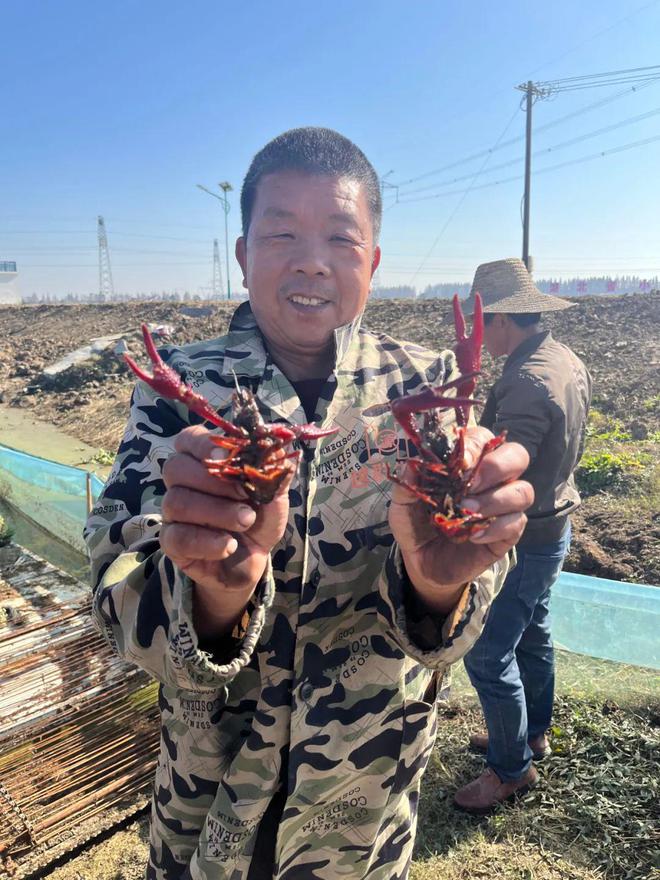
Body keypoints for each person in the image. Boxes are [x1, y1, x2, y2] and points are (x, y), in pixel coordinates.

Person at [85, 130, 533, 880]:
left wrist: (439, 584)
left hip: (363, 806)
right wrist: (216, 595)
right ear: (243, 254)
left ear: (375, 261)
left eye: (341, 238)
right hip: (211, 798)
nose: (311, 260)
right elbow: (117, 600)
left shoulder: (432, 388)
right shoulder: (175, 395)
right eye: (281, 234)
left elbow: (469, 604)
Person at [455, 258, 592, 814]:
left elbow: (514, 458)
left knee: (487, 653)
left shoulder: (526, 380)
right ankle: (531, 733)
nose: (478, 335)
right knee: (533, 633)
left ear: (502, 319)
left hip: (526, 536)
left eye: (481, 322)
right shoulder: (563, 358)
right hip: (555, 523)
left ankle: (511, 770)